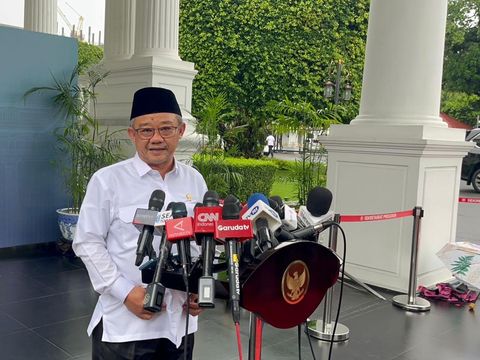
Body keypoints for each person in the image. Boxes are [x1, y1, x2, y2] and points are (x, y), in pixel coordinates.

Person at [72, 87, 208, 360]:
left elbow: (201, 240)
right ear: (132, 134)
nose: (156, 138)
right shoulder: (107, 180)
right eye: (146, 130)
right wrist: (126, 293)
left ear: (180, 131)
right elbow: (87, 242)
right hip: (127, 327)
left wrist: (199, 287)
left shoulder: (195, 180)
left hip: (179, 325)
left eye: (166, 129)